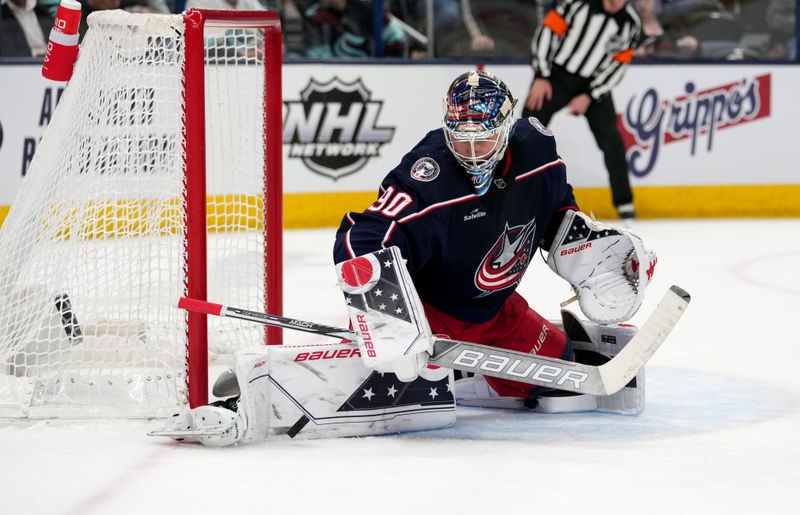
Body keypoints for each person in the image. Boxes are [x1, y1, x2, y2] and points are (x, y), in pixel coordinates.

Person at [153, 70, 656, 446]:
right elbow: (357, 240)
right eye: (463, 139)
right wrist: (392, 317)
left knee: (562, 385)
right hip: (431, 316)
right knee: (396, 391)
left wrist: (582, 245)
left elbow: (555, 212)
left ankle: (465, 375)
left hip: (496, 312)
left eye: (485, 139)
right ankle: (253, 393)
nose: (474, 152)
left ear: (505, 129)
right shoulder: (427, 175)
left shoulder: (539, 150)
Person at [524, 0, 641, 220]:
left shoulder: (631, 25)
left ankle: (624, 204)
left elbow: (616, 68)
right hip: (556, 75)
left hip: (593, 84)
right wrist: (541, 74)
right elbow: (547, 32)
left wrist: (590, 94)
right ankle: (514, 191)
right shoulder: (579, 0)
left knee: (612, 141)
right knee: (526, 131)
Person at [302, 0, 407, 58]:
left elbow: (396, 35)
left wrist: (387, 64)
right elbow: (317, 56)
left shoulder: (366, 7)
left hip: (371, 69)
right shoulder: (314, 17)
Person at [632, 0, 699, 58]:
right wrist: (633, 53)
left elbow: (683, 50)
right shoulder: (630, 28)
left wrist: (692, 45)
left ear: (656, 0)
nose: (642, 4)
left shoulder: (670, 25)